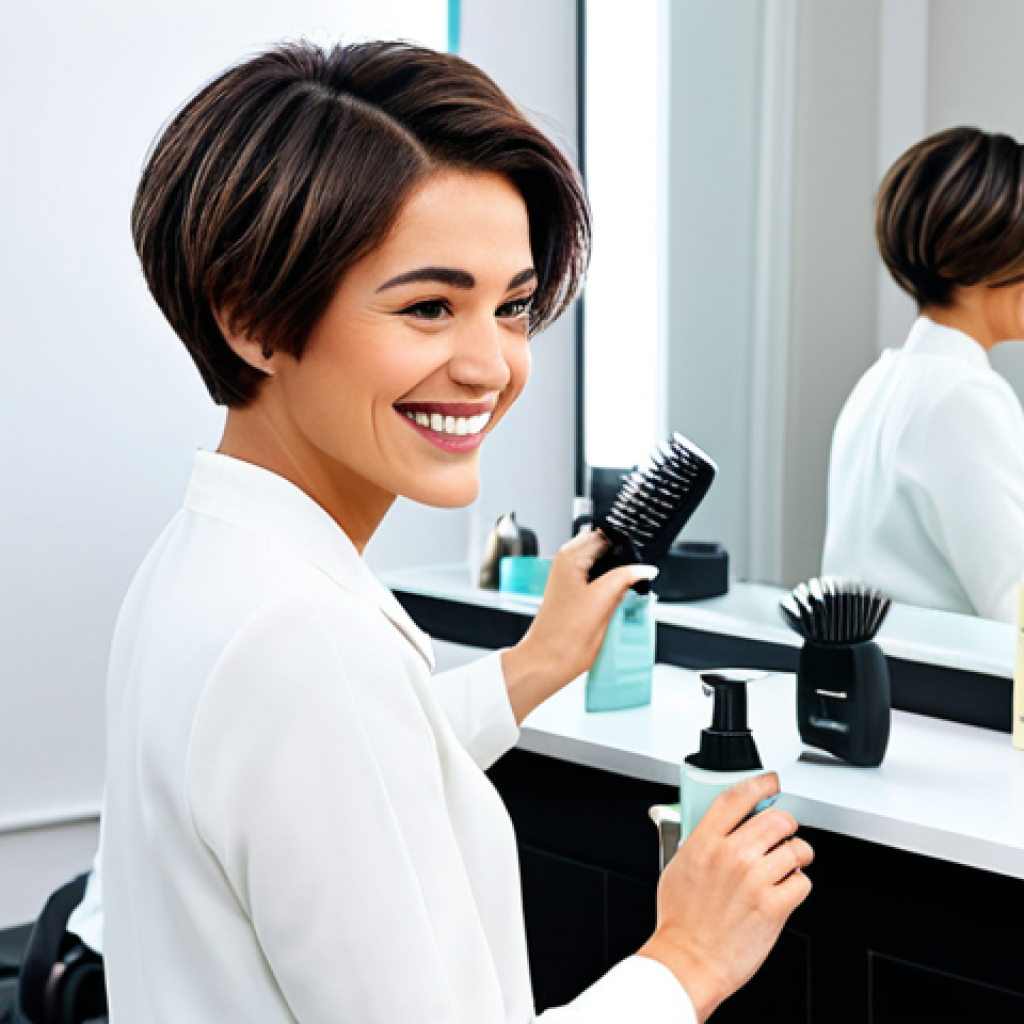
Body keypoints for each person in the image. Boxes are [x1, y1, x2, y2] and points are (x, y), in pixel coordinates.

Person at [97, 40, 812, 1023]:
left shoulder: (207, 560)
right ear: (251, 317)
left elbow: (343, 789)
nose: (492, 367)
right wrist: (683, 959)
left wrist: (533, 666)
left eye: (512, 306)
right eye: (430, 306)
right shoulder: (302, 640)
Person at [823, 126, 1024, 624]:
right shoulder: (964, 396)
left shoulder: (879, 383)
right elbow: (1014, 604)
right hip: (948, 698)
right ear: (987, 255)